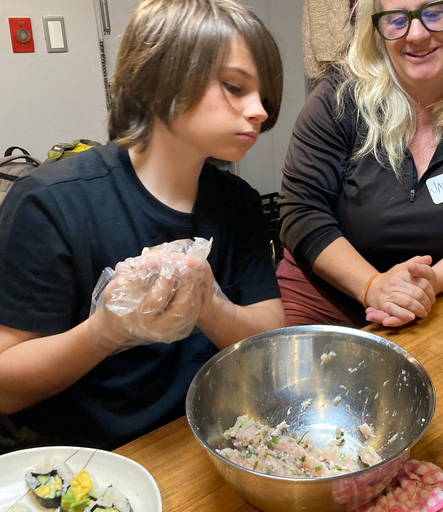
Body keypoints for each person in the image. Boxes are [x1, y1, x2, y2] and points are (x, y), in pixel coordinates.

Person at [0, 0, 285, 454]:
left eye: (264, 97)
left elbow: (270, 340)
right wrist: (105, 332)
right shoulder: (50, 202)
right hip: (84, 461)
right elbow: (6, 387)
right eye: (235, 86)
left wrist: (210, 306)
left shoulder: (238, 203)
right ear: (161, 78)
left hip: (200, 443)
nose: (259, 111)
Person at [277, 0, 443, 327]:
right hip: (325, 301)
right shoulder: (338, 99)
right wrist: (373, 286)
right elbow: (301, 213)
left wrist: (432, 281)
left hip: (440, 305)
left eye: (434, 12)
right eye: (396, 19)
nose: (416, 34)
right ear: (377, 30)